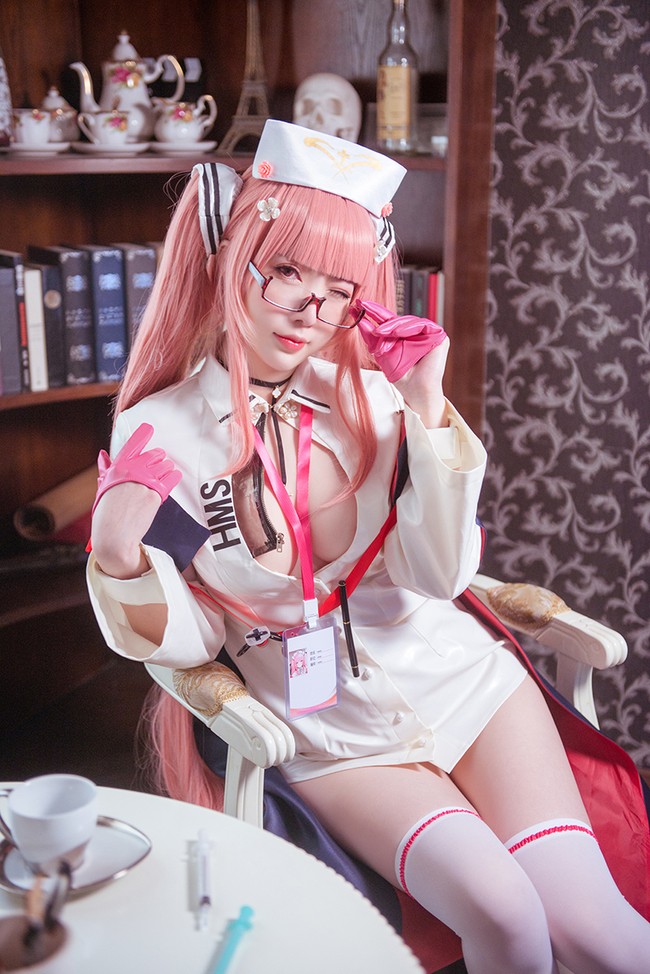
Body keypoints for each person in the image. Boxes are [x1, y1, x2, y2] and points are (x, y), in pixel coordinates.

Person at [87, 120, 650, 974]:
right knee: (505, 920)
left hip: (463, 678)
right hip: (327, 728)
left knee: (596, 932)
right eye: (286, 271)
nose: (311, 311)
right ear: (230, 252)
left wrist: (424, 406)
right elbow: (200, 637)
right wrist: (120, 557)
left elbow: (440, 575)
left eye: (339, 288)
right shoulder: (160, 431)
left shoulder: (375, 399)